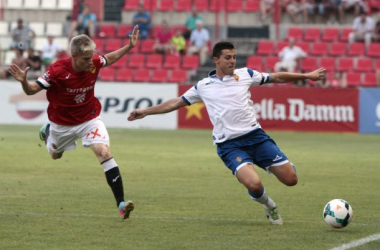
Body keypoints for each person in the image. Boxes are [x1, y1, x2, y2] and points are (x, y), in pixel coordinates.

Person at [128, 41, 326, 225]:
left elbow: (276, 76)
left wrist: (307, 76)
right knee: (255, 185)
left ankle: (283, 165)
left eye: (234, 57)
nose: (232, 61)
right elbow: (175, 102)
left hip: (256, 137)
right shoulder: (203, 86)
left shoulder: (246, 74)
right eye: (228, 57)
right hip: (230, 145)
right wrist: (145, 111)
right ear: (216, 60)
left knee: (291, 180)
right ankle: (269, 205)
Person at [8, 25, 140, 220]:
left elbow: (108, 59)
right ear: (74, 56)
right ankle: (48, 132)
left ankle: (121, 204)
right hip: (62, 123)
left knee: (104, 153)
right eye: (86, 59)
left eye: (91, 57)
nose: (91, 62)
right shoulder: (58, 70)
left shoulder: (93, 60)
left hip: (89, 118)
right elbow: (32, 90)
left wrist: (129, 47)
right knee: (55, 155)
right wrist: (24, 82)